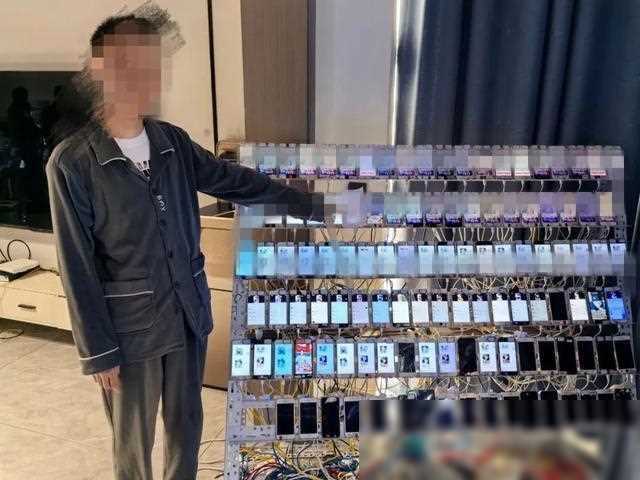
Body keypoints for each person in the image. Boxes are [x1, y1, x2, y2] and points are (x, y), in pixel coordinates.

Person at [46, 12, 323, 480]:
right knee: (133, 444)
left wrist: (308, 205)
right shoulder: (72, 163)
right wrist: (98, 351)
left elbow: (231, 180)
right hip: (130, 330)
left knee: (186, 428)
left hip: (187, 315)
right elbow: (77, 266)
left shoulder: (171, 142)